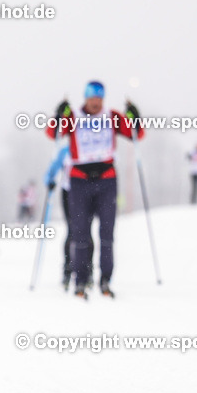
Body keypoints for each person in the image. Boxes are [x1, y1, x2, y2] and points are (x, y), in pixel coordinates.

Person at [46, 81, 144, 299]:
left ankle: (106, 280)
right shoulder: (73, 117)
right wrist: (58, 114)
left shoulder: (113, 116)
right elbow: (53, 133)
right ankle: (80, 280)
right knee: (79, 233)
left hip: (107, 180)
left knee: (107, 234)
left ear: (103, 99)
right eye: (92, 98)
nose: (95, 102)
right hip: (79, 181)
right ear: (86, 98)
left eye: (99, 98)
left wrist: (135, 117)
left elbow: (136, 134)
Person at [44, 141, 92, 291]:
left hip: (87, 192)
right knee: (72, 231)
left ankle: (88, 270)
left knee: (86, 231)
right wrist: (50, 181)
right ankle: (67, 270)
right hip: (69, 193)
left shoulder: (90, 146)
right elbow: (52, 170)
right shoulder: (65, 150)